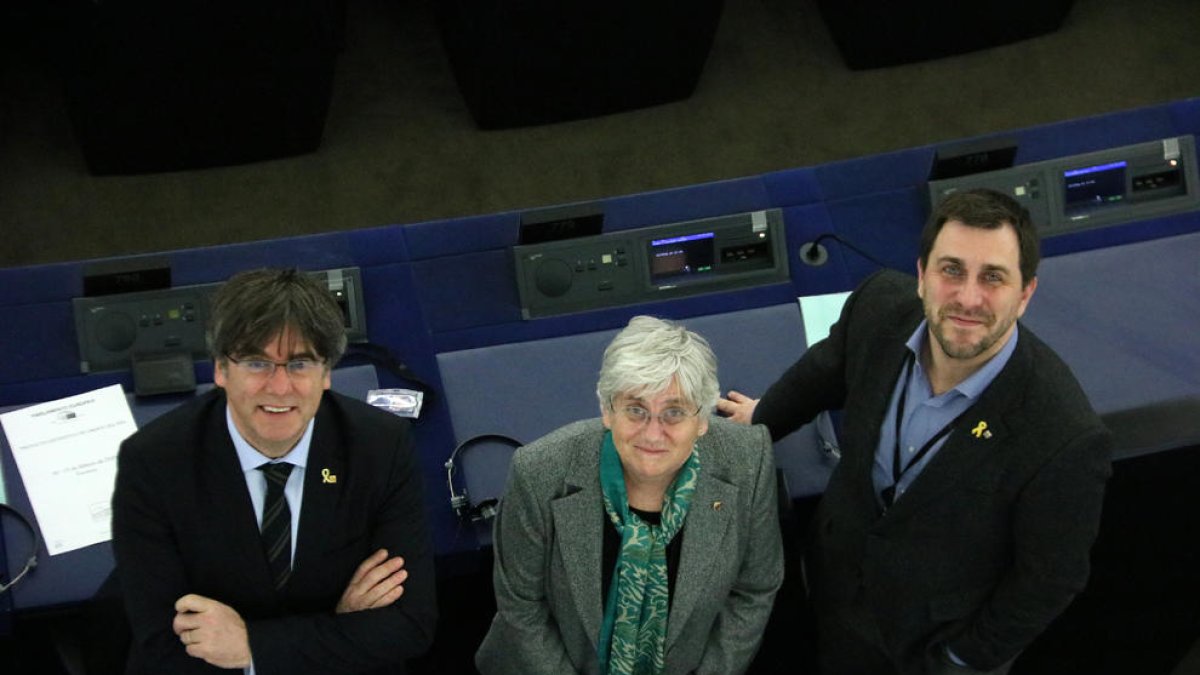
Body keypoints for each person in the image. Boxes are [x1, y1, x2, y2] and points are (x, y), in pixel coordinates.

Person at [717, 188, 1112, 675]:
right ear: (922, 275)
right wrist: (760, 421)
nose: (968, 298)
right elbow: (822, 371)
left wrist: (961, 658)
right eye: (951, 270)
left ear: (1025, 294)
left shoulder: (1063, 436)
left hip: (932, 643)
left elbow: (1050, 579)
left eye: (993, 277)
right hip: (838, 589)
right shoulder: (879, 306)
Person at [112, 268, 436, 674]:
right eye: (256, 363)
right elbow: (163, 646)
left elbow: (408, 625)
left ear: (327, 373)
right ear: (220, 370)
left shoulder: (379, 445)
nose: (279, 388)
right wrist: (340, 626)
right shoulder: (154, 462)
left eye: (300, 364)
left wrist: (252, 648)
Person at [476, 316, 784, 675]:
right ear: (607, 411)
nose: (653, 434)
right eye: (636, 410)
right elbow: (522, 606)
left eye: (674, 412)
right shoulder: (539, 472)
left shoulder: (747, 459)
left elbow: (754, 590)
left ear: (702, 419)